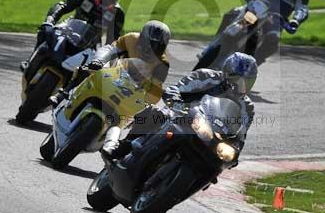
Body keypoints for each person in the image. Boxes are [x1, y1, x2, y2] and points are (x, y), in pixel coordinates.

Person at [104, 52, 257, 159]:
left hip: (209, 137)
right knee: (155, 113)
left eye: (247, 82)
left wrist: (234, 152)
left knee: (217, 163)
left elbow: (240, 136)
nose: (241, 85)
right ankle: (122, 147)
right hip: (181, 117)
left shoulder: (247, 107)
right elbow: (175, 89)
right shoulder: (206, 77)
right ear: (226, 72)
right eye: (237, 79)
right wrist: (176, 104)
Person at [21, 0, 124, 72]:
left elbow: (114, 38)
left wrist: (105, 54)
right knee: (46, 31)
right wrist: (49, 21)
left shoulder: (117, 13)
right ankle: (30, 61)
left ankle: (72, 88)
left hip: (91, 43)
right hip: (69, 29)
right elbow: (63, 6)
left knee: (92, 67)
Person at [217, 0, 309, 65]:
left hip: (276, 21)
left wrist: (296, 20)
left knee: (273, 41)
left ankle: (252, 65)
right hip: (259, 10)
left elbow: (302, 9)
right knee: (232, 15)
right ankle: (216, 43)